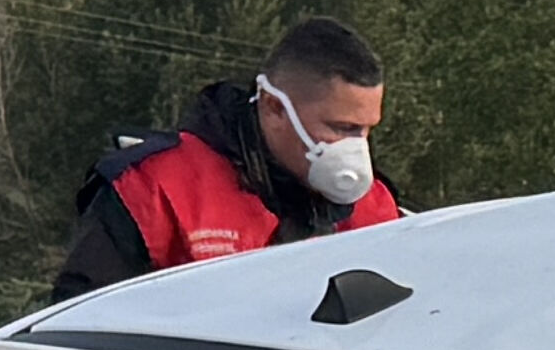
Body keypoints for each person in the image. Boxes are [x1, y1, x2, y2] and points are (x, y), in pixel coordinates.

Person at [49, 17, 396, 296]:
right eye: (342, 128)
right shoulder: (153, 189)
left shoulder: (373, 207)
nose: (356, 148)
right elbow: (80, 329)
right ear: (275, 108)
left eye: (366, 130)